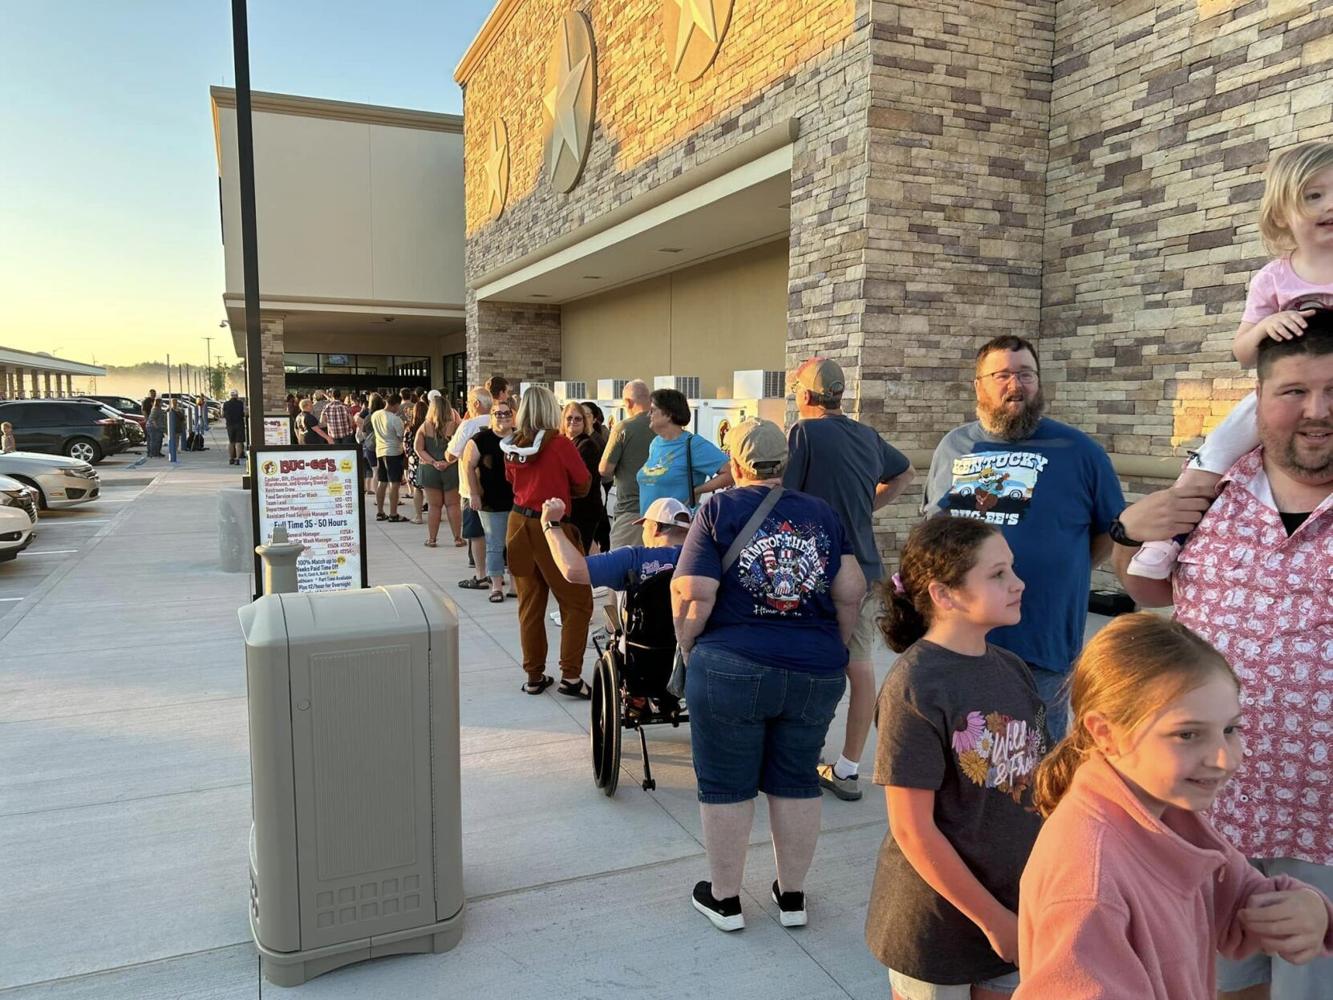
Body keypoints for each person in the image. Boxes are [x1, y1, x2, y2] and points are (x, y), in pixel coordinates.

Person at [1111, 316, 1333, 1000]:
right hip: (1208, 808)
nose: (1316, 411)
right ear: (1257, 400)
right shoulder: (1207, 493)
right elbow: (1149, 589)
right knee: (1212, 983)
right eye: (1293, 391)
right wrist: (1126, 537)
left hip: (1324, 826)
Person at [1016, 614, 1333, 999]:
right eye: (1188, 734)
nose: (1224, 758)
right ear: (1105, 733)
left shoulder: (1169, 812)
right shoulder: (1088, 882)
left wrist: (1308, 909)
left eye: (1230, 729)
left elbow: (1238, 896)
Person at [671, 418, 865, 932]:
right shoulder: (822, 513)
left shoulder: (717, 509)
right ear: (786, 464)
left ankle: (726, 900)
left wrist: (688, 647)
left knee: (725, 783)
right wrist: (834, 646)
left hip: (731, 663)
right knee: (796, 779)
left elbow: (693, 592)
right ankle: (792, 897)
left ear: (734, 464)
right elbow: (851, 590)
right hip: (814, 668)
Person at [866, 516, 1042, 999]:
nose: (1018, 583)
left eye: (1012, 569)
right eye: (998, 574)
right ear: (944, 594)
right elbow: (912, 829)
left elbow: (1037, 781)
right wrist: (994, 920)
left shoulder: (1012, 668)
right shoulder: (916, 686)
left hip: (1016, 904)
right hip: (938, 924)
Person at [924, 335, 1123, 739]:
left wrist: (1065, 569)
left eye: (1026, 374)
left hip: (1042, 646)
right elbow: (936, 532)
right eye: (1002, 375)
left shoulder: (1080, 451)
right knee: (964, 755)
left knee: (1035, 758)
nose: (1015, 385)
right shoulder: (955, 447)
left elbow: (1110, 531)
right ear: (978, 386)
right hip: (962, 640)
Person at [784, 356, 916, 802]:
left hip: (816, 570)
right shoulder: (867, 435)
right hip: (866, 568)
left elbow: (783, 497)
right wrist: (865, 507)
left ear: (805, 395)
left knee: (806, 663)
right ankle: (849, 768)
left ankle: (799, 755)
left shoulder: (803, 434)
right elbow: (905, 472)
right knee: (859, 667)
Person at [501, 385, 593, 697]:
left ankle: (534, 675)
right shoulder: (560, 444)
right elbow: (583, 484)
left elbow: (511, 480)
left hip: (518, 523)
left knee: (530, 604)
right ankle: (571, 676)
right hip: (551, 525)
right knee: (577, 602)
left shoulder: (512, 444)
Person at [540, 494, 690, 590]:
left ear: (655, 528)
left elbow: (574, 570)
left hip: (647, 632)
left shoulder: (632, 558)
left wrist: (550, 524)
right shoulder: (702, 558)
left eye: (644, 527)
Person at [638, 388, 733, 513]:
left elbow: (730, 473)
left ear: (668, 414)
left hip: (676, 522)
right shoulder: (655, 443)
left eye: (653, 410)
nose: (648, 414)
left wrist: (695, 491)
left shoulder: (693, 444)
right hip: (649, 522)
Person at [461, 400, 517, 600]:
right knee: (494, 545)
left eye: (506, 413)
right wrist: (474, 494)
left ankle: (515, 586)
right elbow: (468, 465)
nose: (503, 417)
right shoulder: (481, 439)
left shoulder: (520, 438)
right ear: (491, 417)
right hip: (490, 502)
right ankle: (496, 586)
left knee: (515, 545)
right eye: (498, 413)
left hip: (518, 501)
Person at [600, 379, 655, 548]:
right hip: (662, 510)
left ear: (628, 402)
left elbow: (604, 469)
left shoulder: (624, 428)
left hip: (631, 509)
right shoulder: (665, 425)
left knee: (621, 560)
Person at [447, 387, 494, 570]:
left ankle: (479, 569)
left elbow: (451, 454)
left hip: (471, 487)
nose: (467, 406)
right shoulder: (501, 423)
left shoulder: (468, 425)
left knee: (476, 532)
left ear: (476, 403)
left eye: (468, 402)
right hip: (496, 487)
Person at [561, 401, 606, 553]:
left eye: (578, 418)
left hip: (584, 508)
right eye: (569, 418)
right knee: (586, 549)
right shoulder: (565, 442)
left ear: (584, 422)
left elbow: (579, 479)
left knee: (578, 551)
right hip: (572, 508)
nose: (573, 421)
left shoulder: (587, 445)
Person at [413, 395, 457, 548]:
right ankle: (458, 538)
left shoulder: (425, 426)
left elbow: (418, 449)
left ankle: (432, 539)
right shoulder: (455, 426)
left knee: (434, 506)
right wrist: (448, 462)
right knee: (453, 505)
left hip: (430, 470)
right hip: (451, 470)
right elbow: (461, 448)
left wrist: (433, 462)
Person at [371, 392, 408, 522]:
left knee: (382, 482)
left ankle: (380, 512)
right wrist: (406, 426)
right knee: (394, 484)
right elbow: (401, 436)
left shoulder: (375, 415)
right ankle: (393, 513)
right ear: (396, 404)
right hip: (394, 452)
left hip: (380, 451)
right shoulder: (395, 419)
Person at [359, 393, 383, 496]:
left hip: (371, 446)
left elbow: (363, 433)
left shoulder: (368, 417)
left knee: (375, 471)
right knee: (385, 472)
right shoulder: (384, 415)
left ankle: (378, 496)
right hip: (383, 445)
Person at [222, 389, 244, 465]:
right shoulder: (240, 403)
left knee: (231, 442)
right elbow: (243, 413)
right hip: (239, 424)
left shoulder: (226, 404)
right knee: (238, 442)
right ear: (237, 396)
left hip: (230, 425)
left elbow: (223, 415)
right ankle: (237, 459)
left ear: (230, 396)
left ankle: (231, 458)